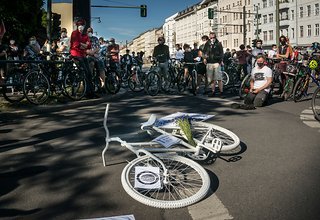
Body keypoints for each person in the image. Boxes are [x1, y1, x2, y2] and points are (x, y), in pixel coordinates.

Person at [70, 18, 95, 98]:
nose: (81, 26)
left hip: (82, 55)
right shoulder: (74, 33)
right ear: (77, 26)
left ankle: (91, 92)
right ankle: (86, 92)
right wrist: (84, 45)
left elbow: (89, 45)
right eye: (79, 25)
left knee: (89, 74)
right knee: (84, 72)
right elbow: (76, 44)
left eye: (82, 25)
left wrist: (83, 45)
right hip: (76, 55)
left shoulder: (84, 35)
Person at [202, 31, 224, 97]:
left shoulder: (218, 44)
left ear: (215, 37)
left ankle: (221, 92)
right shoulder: (207, 44)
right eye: (211, 37)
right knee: (211, 79)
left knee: (219, 78)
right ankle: (213, 92)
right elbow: (204, 52)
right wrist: (204, 58)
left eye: (213, 37)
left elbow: (221, 53)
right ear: (209, 37)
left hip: (216, 63)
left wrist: (220, 60)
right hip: (209, 63)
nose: (212, 38)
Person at [86, 27, 106, 92]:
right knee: (90, 63)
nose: (90, 32)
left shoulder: (95, 38)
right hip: (89, 55)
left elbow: (98, 48)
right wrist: (89, 52)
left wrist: (93, 52)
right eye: (89, 31)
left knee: (101, 67)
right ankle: (90, 80)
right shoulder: (85, 38)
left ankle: (103, 85)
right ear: (86, 32)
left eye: (91, 31)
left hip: (97, 56)